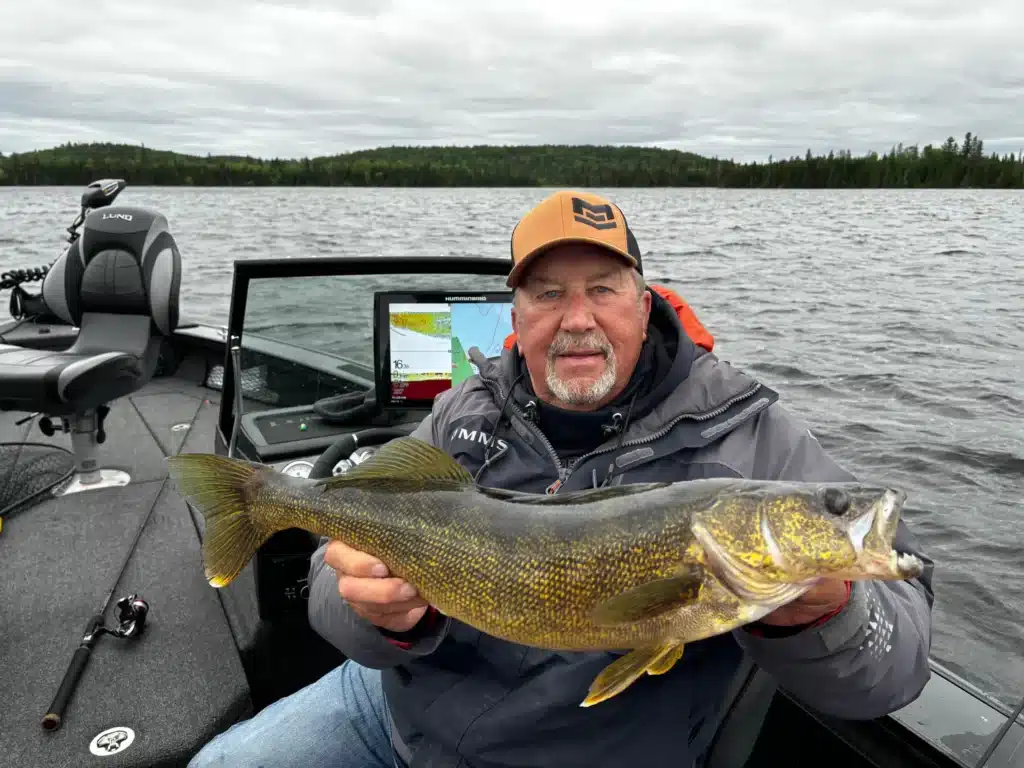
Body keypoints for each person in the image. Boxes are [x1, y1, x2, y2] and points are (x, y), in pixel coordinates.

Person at [189, 190, 935, 767]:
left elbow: (889, 673)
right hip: (402, 715)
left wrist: (820, 618)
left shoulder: (750, 438)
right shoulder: (460, 413)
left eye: (603, 288)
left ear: (645, 305)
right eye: (548, 293)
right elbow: (329, 585)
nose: (577, 317)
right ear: (515, 313)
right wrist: (376, 614)